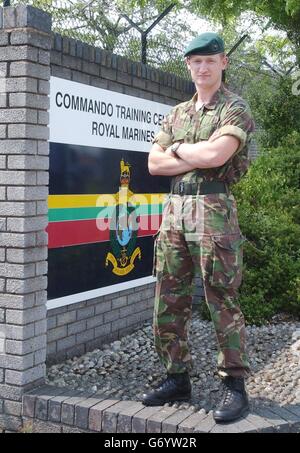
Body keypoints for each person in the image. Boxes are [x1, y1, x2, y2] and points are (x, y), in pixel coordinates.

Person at [142, 32, 255, 423]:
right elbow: (154, 165)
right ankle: (176, 377)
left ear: (223, 63)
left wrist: (177, 150)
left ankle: (234, 385)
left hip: (214, 208)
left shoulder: (234, 108)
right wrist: (193, 156)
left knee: (221, 298)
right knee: (167, 297)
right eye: (195, 61)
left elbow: (217, 154)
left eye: (210, 60)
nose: (202, 67)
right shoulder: (177, 113)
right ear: (188, 65)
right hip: (175, 209)